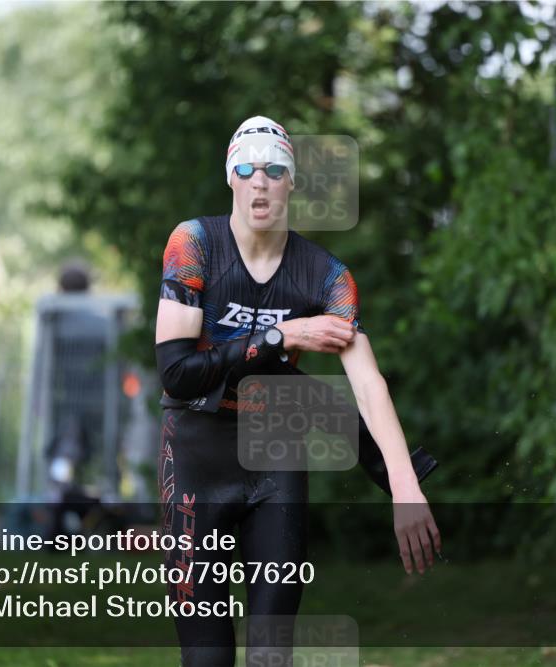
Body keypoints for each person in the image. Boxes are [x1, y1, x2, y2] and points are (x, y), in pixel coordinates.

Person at [154, 115, 442, 666]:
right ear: (230, 178)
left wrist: (405, 487)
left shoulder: (326, 276)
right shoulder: (193, 243)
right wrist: (280, 335)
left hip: (274, 456)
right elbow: (176, 374)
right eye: (247, 167)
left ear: (292, 182)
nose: (260, 180)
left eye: (275, 169)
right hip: (195, 455)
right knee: (207, 657)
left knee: (271, 654)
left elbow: (367, 382)